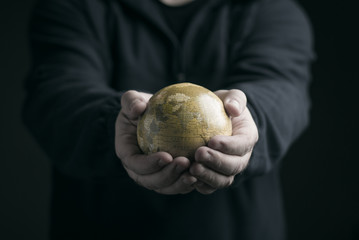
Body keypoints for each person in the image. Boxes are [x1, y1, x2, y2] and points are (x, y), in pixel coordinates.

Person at [23, 0, 314, 239]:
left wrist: (249, 117)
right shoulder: (73, 6)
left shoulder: (270, 9)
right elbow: (55, 94)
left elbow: (284, 91)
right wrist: (115, 122)